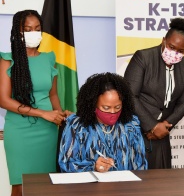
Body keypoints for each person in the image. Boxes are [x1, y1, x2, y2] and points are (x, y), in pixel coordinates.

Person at [0, 10, 67, 196]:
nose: (33, 33)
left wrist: (60, 114)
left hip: (47, 131)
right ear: (17, 32)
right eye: (27, 29)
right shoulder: (7, 60)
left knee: (46, 185)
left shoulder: (48, 58)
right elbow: (3, 100)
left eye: (37, 28)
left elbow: (53, 95)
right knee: (21, 186)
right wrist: (42, 113)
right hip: (20, 131)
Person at [124, 17, 184, 169]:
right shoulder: (143, 57)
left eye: (181, 51)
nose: (175, 53)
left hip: (162, 134)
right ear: (163, 41)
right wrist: (152, 126)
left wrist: (164, 127)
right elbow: (129, 95)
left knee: (162, 184)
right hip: (137, 132)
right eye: (171, 47)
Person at [58, 73, 147, 172]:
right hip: (88, 186)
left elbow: (140, 164)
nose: (113, 112)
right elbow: (66, 163)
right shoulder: (77, 126)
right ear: (93, 104)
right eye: (106, 107)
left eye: (117, 107)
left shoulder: (131, 125)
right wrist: (93, 166)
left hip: (124, 185)